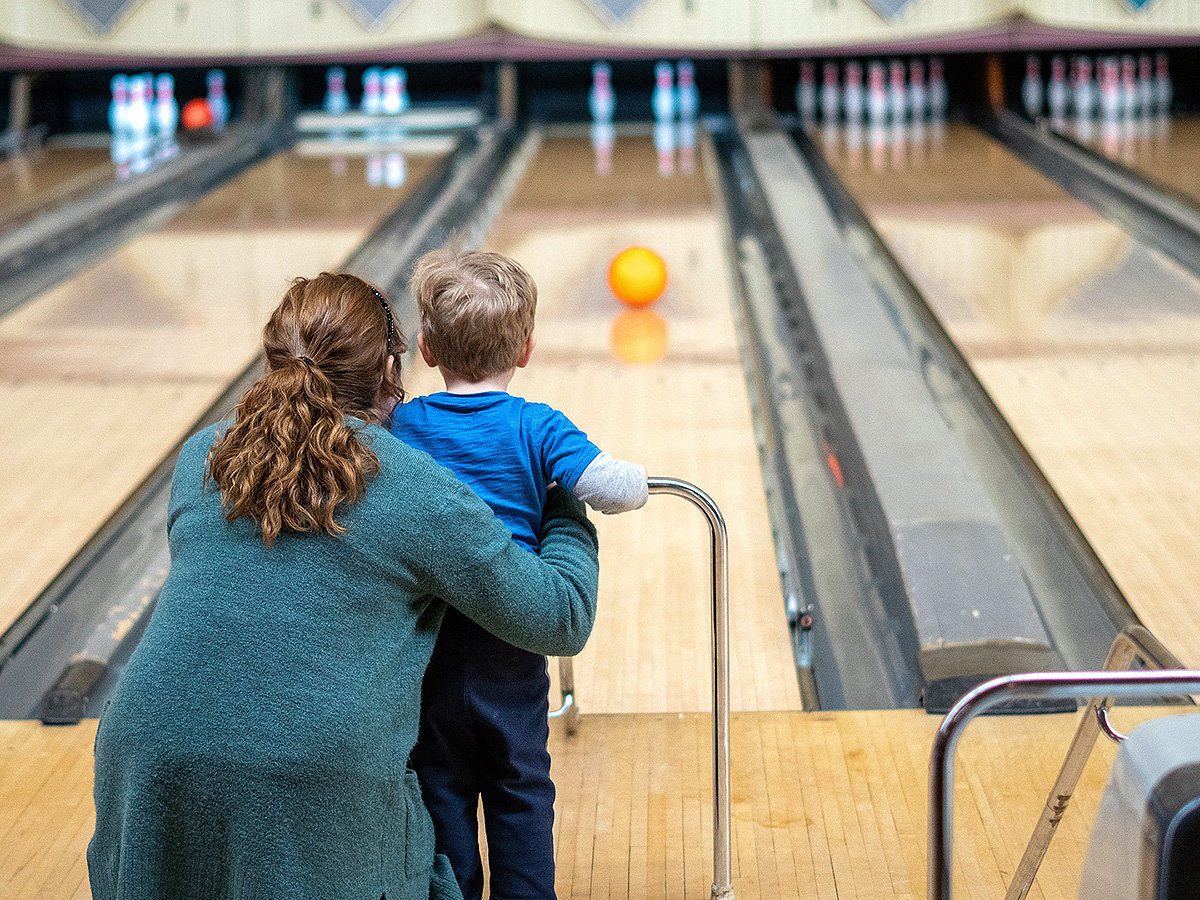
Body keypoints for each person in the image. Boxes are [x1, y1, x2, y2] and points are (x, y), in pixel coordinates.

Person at [87, 272, 601, 900]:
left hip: (143, 767)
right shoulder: (415, 488)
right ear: (391, 366)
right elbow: (561, 615)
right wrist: (563, 506)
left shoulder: (202, 455)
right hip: (314, 788)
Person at [391, 249, 647, 900]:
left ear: (425, 348)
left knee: (440, 785)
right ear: (526, 348)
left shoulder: (405, 423)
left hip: (432, 645)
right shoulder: (536, 425)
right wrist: (640, 481)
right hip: (512, 634)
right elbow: (611, 490)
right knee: (519, 785)